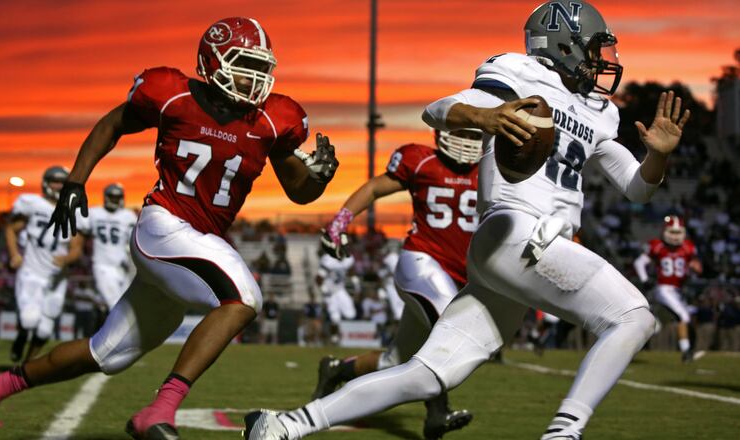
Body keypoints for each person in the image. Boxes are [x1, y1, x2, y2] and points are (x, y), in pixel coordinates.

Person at [243, 1, 690, 439]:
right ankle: (564, 433)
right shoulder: (521, 74)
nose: (601, 62)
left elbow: (638, 187)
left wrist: (657, 156)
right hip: (520, 232)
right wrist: (488, 116)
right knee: (633, 316)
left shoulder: (599, 110)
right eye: (595, 49)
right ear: (565, 46)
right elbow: (438, 110)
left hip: (514, 254)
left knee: (427, 374)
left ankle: (284, 425)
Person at [0, 17, 338, 440]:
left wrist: (319, 178)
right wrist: (76, 180)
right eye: (242, 64)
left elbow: (299, 192)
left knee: (106, 353)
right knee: (243, 297)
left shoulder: (273, 120)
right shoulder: (172, 93)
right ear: (212, 60)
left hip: (198, 242)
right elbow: (112, 124)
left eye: (260, 67)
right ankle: (159, 411)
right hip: (163, 224)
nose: (253, 77)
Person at [310, 128, 483, 439]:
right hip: (421, 263)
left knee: (396, 359)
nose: (467, 142)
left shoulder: (490, 168)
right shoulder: (420, 160)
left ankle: (337, 369)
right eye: (460, 132)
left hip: (458, 276)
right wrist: (340, 221)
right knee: (447, 325)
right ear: (441, 131)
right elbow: (375, 188)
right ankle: (437, 412)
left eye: (474, 134)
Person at [4, 165, 85, 363]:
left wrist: (66, 258)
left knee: (45, 328)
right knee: (29, 320)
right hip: (31, 271)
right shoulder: (32, 204)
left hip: (56, 278)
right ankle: (22, 335)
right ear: (46, 183)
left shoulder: (74, 212)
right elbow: (10, 229)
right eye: (54, 181)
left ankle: (27, 365)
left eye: (61, 182)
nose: (58, 186)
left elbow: (77, 247)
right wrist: (14, 254)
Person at [634, 215, 702, 361]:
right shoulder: (657, 246)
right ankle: (686, 352)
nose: (675, 236)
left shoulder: (688, 247)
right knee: (683, 316)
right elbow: (639, 263)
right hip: (664, 288)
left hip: (679, 291)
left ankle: (631, 345)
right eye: (672, 232)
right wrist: (645, 280)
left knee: (662, 324)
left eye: (678, 233)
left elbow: (696, 268)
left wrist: (694, 270)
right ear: (665, 231)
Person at [86, 183, 137, 311]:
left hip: (123, 267)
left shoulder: (128, 216)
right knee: (115, 305)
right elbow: (81, 234)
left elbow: (133, 242)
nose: (114, 199)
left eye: (117, 197)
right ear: (106, 197)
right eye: (112, 196)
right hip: (102, 265)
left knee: (125, 304)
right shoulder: (94, 213)